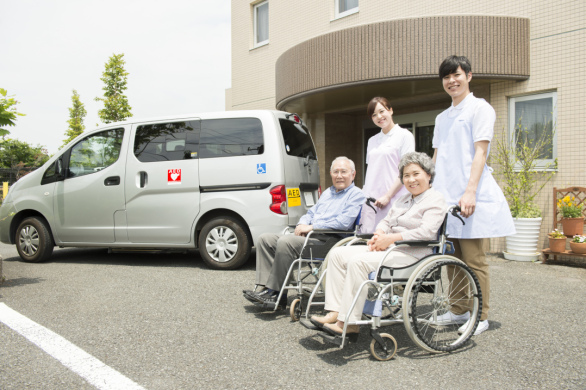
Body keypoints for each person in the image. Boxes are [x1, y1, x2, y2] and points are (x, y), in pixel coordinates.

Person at [311, 152, 447, 336]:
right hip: (391, 249)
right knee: (338, 254)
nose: (411, 180)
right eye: (406, 176)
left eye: (416, 174)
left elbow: (426, 232)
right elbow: (386, 221)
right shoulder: (403, 199)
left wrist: (391, 238)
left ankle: (348, 323)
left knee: (358, 262)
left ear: (428, 175)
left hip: (413, 255)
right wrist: (379, 234)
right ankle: (335, 311)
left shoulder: (435, 199)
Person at [431, 55, 515, 335]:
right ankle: (458, 309)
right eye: (446, 77)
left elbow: (481, 152)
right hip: (446, 197)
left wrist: (469, 192)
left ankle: (480, 316)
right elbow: (438, 157)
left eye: (456, 75)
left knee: (474, 259)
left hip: (470, 196)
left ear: (468, 75)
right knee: (451, 257)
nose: (451, 81)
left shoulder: (480, 108)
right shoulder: (442, 117)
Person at [243, 156, 366, 309]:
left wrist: (312, 227)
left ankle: (274, 293)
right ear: (330, 174)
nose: (339, 176)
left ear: (353, 174)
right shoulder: (328, 192)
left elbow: (343, 223)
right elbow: (311, 213)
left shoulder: (357, 194)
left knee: (286, 242)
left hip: (331, 241)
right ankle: (267, 288)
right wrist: (303, 223)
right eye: (335, 172)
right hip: (312, 237)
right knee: (265, 239)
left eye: (343, 172)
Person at [360, 97, 415, 233]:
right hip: (372, 201)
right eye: (374, 115)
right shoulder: (372, 141)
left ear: (390, 111)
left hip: (394, 199)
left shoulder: (404, 135)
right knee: (369, 239)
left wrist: (388, 196)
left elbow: (406, 171)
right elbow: (371, 171)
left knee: (389, 239)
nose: (379, 117)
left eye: (381, 111)